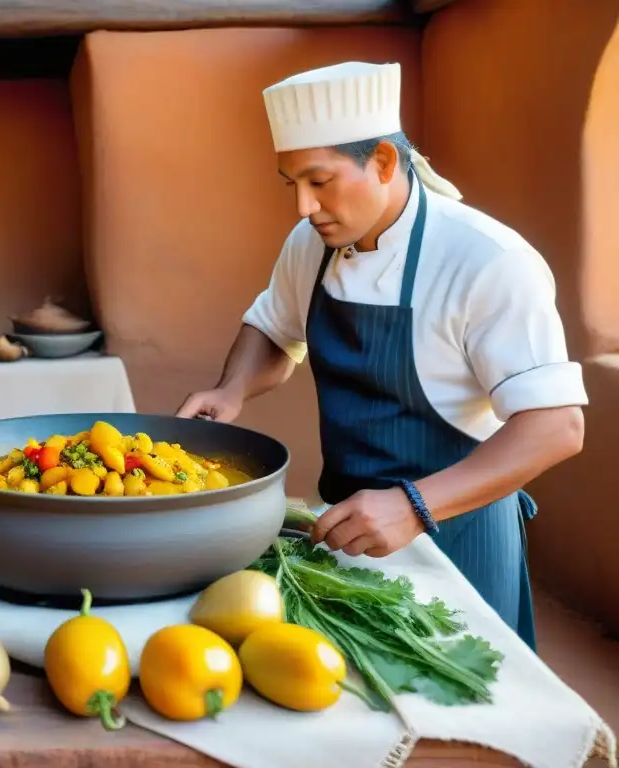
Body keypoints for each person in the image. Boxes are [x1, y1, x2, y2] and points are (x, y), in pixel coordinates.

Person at [175, 61, 587, 651]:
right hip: (346, 531)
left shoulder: (487, 260)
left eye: (319, 180)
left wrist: (414, 507)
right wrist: (231, 388)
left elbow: (556, 427)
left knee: (465, 712)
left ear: (385, 162)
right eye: (289, 183)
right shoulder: (311, 244)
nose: (302, 205)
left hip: (459, 534)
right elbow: (273, 329)